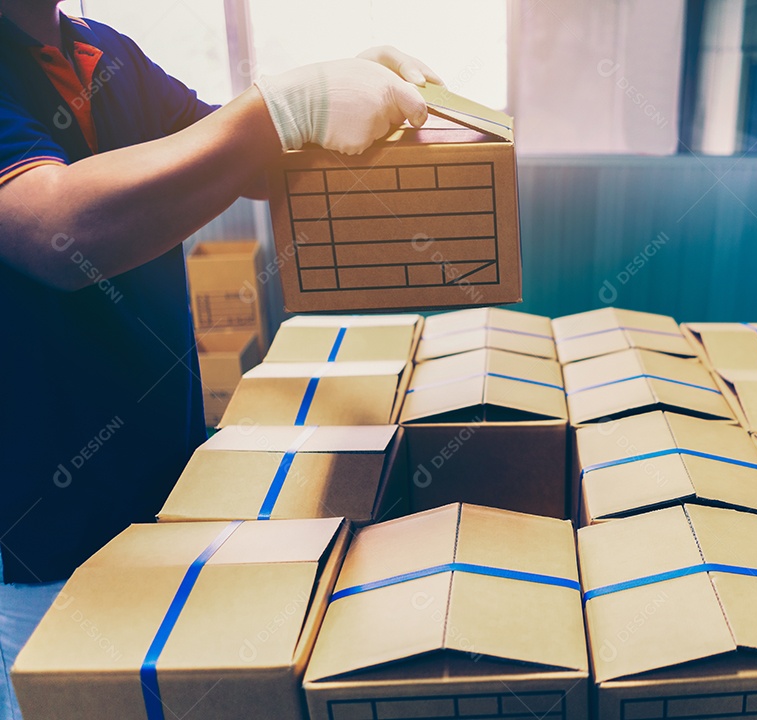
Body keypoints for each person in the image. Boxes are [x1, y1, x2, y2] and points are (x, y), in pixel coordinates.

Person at [0, 1, 441, 717]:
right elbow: (59, 230)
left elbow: (241, 157)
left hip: (164, 489)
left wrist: (335, 98)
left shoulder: (102, 51)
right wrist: (284, 109)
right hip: (44, 524)